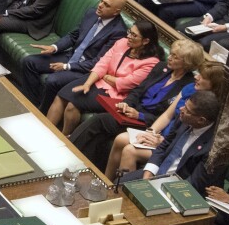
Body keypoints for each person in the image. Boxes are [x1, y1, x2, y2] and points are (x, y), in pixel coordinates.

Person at [70, 39, 203, 168]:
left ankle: (69, 150)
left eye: (175, 56)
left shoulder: (188, 85)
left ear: (187, 63)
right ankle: (81, 165)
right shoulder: (161, 67)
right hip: (130, 113)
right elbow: (138, 90)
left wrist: (139, 115)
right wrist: (127, 103)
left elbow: (167, 117)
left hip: (148, 123)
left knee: (99, 121)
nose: (170, 57)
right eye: (171, 53)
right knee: (101, 132)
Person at [47, 20, 162, 135]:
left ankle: (63, 137)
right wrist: (87, 83)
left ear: (146, 41)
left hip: (117, 94)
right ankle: (45, 131)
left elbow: (126, 83)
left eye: (134, 35)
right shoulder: (122, 42)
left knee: (72, 105)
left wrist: (107, 77)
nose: (128, 36)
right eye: (129, 32)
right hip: (98, 80)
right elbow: (102, 64)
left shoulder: (151, 62)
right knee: (61, 96)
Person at [20, 0, 127, 112]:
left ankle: (41, 113)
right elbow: (74, 35)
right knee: (29, 62)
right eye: (101, 1)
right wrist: (54, 47)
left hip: (84, 70)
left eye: (106, 5)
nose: (100, 5)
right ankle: (29, 104)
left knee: (52, 80)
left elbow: (98, 63)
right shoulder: (92, 13)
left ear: (116, 11)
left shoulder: (118, 32)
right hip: (71, 55)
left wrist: (66, 66)